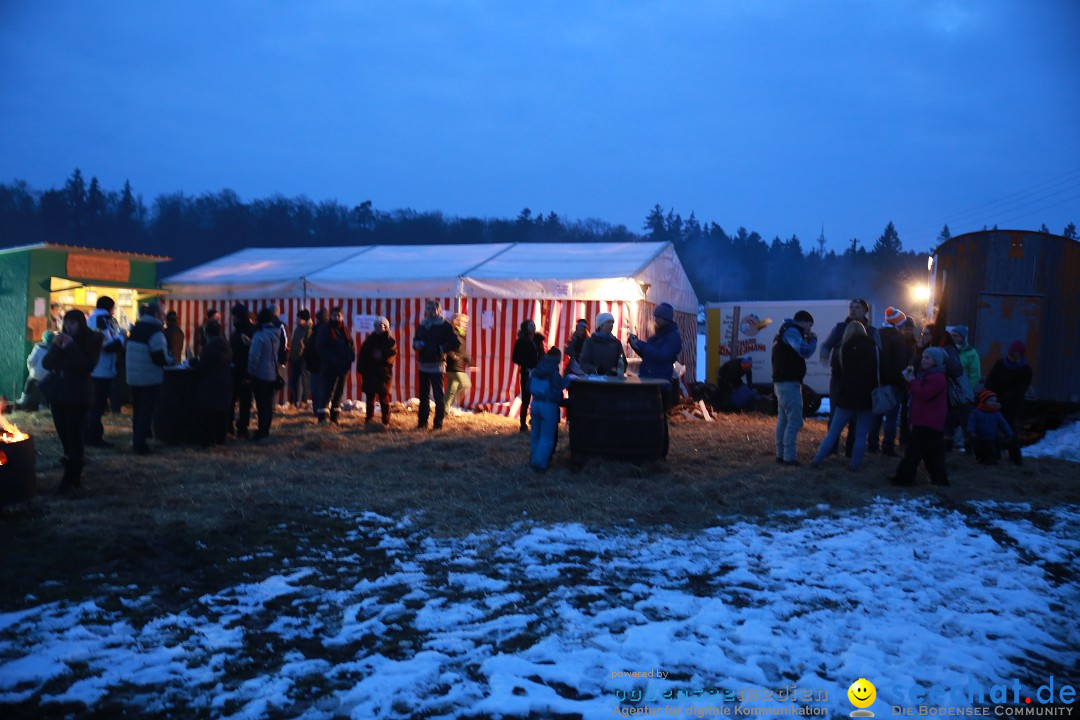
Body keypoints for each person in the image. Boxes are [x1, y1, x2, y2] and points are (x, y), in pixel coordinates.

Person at [42, 310, 101, 492]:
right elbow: (47, 364)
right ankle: (71, 475)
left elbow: (87, 365)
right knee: (64, 437)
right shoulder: (62, 339)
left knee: (75, 436)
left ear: (81, 324)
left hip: (78, 394)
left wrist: (71, 346)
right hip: (59, 393)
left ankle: (71, 478)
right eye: (67, 323)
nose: (69, 326)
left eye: (73, 323)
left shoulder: (92, 339)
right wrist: (56, 346)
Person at [810, 321, 877, 471]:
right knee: (861, 435)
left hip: (847, 396)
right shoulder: (872, 348)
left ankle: (817, 460)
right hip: (866, 397)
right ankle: (854, 465)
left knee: (833, 432)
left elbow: (836, 374)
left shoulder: (842, 348)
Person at [819, 299, 880, 455]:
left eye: (857, 307)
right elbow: (826, 345)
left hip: (862, 383)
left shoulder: (872, 332)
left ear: (865, 311)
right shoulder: (839, 329)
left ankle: (851, 451)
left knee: (856, 419)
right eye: (851, 307)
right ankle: (831, 450)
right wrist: (825, 354)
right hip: (839, 381)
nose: (853, 310)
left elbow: (880, 354)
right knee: (835, 415)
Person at [889, 346, 949, 486]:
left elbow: (923, 394)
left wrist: (912, 381)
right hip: (928, 420)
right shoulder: (928, 374)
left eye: (927, 358)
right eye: (923, 357)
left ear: (936, 361)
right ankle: (939, 480)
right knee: (932, 453)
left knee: (914, 452)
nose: (923, 360)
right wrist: (911, 381)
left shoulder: (937, 377)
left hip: (927, 420)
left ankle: (903, 478)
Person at [126, 302, 174, 454]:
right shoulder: (156, 332)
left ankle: (137, 440)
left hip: (134, 376)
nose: (164, 318)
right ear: (157, 315)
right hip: (149, 377)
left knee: (138, 411)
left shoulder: (136, 329)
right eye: (162, 314)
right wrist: (171, 360)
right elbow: (159, 357)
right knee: (145, 412)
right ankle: (140, 444)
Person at [772, 310, 817, 466]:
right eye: (809, 325)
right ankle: (789, 457)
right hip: (789, 383)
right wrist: (813, 341)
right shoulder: (791, 331)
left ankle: (780, 455)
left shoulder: (783, 331)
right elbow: (804, 351)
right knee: (795, 421)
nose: (809, 330)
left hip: (781, 382)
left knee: (783, 419)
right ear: (802, 321)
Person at [867, 306, 912, 457]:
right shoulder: (898, 338)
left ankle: (872, 445)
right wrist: (903, 382)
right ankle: (888, 447)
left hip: (876, 382)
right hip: (893, 384)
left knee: (876, 415)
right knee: (891, 418)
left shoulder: (877, 334)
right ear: (899, 323)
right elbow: (900, 365)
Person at [984, 340, 1032, 466]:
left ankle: (1015, 459)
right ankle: (993, 456)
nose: (1012, 359)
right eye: (1011, 355)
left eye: (1015, 357)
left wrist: (1001, 401)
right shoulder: (1000, 364)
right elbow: (990, 382)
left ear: (1021, 356)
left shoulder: (1025, 370)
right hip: (994, 400)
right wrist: (991, 398)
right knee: (991, 429)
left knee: (1009, 430)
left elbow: (1018, 390)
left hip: (1011, 405)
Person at [86, 296, 125, 448]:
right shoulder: (102, 320)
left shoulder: (95, 319)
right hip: (101, 370)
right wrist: (121, 338)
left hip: (97, 368)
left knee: (94, 406)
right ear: (111, 307)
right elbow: (108, 346)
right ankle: (94, 437)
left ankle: (91, 435)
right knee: (97, 406)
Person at [628, 302, 683, 408]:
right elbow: (649, 355)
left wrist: (641, 344)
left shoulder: (673, 337)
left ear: (665, 319)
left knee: (658, 418)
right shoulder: (659, 335)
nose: (655, 320)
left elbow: (661, 355)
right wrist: (635, 345)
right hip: (649, 380)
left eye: (657, 317)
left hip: (660, 383)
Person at [413, 300, 458, 430]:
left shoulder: (445, 326)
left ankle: (438, 423)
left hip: (437, 364)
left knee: (438, 395)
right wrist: (416, 344)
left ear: (439, 310)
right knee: (423, 395)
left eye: (433, 308)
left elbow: (455, 343)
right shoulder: (423, 325)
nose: (431, 311)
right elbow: (416, 339)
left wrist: (441, 349)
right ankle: (422, 423)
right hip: (423, 364)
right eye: (428, 309)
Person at [528, 347, 570, 472]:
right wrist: (569, 379)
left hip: (535, 404)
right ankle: (540, 464)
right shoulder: (553, 371)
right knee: (547, 436)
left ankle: (534, 459)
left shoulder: (537, 369)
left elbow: (527, 386)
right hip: (549, 405)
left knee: (536, 434)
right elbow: (560, 385)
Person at [248, 307, 283, 440]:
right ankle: (266, 429)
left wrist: (250, 372)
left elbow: (254, 356)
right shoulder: (276, 333)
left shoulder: (260, 335)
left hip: (260, 374)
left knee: (261, 404)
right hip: (272, 373)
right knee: (268, 404)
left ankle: (262, 431)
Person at [315, 307, 355, 424]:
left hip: (343, 368)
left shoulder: (345, 330)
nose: (337, 318)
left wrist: (350, 356)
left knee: (339, 392)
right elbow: (321, 347)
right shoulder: (325, 329)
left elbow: (350, 345)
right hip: (329, 367)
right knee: (328, 391)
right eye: (334, 315)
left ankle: (334, 418)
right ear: (330, 316)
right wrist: (332, 360)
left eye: (339, 316)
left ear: (342, 317)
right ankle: (322, 418)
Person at [196, 320, 232, 446]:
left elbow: (202, 367)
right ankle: (221, 439)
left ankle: (208, 440)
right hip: (225, 382)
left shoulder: (209, 348)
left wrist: (195, 364)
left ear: (207, 333)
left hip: (210, 384)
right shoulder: (226, 346)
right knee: (222, 412)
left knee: (209, 414)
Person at [358, 316, 397, 426]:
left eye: (381, 326)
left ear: (386, 327)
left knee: (383, 398)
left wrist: (381, 355)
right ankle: (369, 420)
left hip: (383, 374)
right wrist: (361, 368)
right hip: (370, 372)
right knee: (370, 398)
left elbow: (391, 355)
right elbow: (363, 354)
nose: (378, 328)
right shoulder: (369, 340)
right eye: (376, 326)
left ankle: (385, 421)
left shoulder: (390, 341)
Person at [949, 324, 981, 450]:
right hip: (949, 392)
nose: (953, 338)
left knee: (965, 421)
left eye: (956, 336)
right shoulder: (948, 350)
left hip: (963, 393)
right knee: (949, 421)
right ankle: (948, 447)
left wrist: (966, 390)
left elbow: (975, 375)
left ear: (962, 337)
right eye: (951, 335)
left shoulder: (971, 354)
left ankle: (969, 449)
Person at [512, 319, 545, 432]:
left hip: (537, 372)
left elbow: (542, 355)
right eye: (530, 325)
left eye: (534, 325)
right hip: (527, 372)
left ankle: (534, 419)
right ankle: (522, 424)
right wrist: (527, 363)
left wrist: (541, 365)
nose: (533, 327)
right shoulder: (521, 341)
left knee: (538, 397)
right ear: (525, 328)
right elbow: (515, 358)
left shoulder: (538, 340)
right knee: (526, 398)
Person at [229, 303, 255, 438]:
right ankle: (234, 426)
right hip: (238, 370)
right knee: (237, 401)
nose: (232, 319)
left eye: (234, 316)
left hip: (243, 370)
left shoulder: (246, 330)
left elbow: (249, 352)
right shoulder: (241, 330)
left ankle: (242, 428)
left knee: (243, 401)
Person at [967, 390, 1013, 465]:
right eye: (991, 401)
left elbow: (1003, 424)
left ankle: (991, 461)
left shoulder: (996, 413)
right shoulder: (976, 412)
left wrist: (1009, 433)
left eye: (995, 401)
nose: (993, 403)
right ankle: (981, 460)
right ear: (984, 401)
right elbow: (971, 422)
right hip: (979, 436)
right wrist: (971, 430)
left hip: (992, 437)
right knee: (979, 449)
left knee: (991, 450)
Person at [15, 329, 55, 411]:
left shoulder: (38, 348)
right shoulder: (54, 349)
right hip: (48, 375)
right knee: (44, 390)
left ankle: (24, 400)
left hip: (36, 374)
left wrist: (30, 369)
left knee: (29, 382)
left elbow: (31, 361)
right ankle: (43, 406)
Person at [579, 312, 625, 377]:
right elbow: (583, 363)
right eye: (608, 322)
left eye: (612, 323)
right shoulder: (590, 342)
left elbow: (623, 361)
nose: (611, 325)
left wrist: (618, 370)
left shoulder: (616, 343)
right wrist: (596, 369)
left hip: (613, 381)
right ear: (601, 325)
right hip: (595, 381)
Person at [443, 314, 472, 416]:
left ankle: (444, 410)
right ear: (458, 322)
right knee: (465, 384)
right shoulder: (453, 333)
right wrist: (452, 355)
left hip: (458, 365)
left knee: (451, 389)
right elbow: (446, 346)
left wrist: (470, 363)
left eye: (466, 323)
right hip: (453, 365)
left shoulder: (462, 335)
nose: (466, 325)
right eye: (464, 322)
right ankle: (446, 405)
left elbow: (463, 352)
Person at [304, 308, 328, 421]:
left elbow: (310, 348)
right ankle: (324, 410)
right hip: (327, 365)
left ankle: (318, 410)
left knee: (316, 388)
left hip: (316, 364)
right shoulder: (331, 330)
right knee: (325, 388)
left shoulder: (317, 331)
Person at [288, 309, 312, 409]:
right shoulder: (297, 329)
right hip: (294, 358)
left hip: (303, 359)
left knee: (305, 381)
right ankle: (292, 402)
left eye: (300, 318)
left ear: (305, 320)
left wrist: (303, 355)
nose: (297, 320)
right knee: (292, 380)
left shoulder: (309, 330)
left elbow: (308, 345)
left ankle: (304, 401)